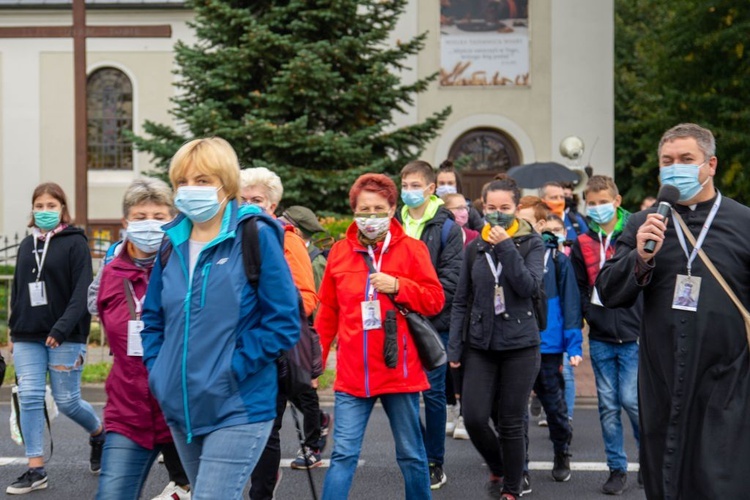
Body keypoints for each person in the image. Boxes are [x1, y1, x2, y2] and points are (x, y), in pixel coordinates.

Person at [141, 137, 300, 500]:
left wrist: (231, 369)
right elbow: (152, 319)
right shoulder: (171, 242)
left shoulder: (254, 234)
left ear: (226, 185)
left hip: (239, 405)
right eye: (182, 181)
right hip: (182, 406)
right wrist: (159, 371)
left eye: (202, 180)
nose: (189, 189)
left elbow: (284, 321)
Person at [597, 123, 750, 499]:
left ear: (710, 164)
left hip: (728, 376)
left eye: (686, 159)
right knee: (666, 477)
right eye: (667, 161)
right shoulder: (642, 223)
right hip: (662, 374)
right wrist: (641, 256)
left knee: (719, 477)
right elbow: (608, 291)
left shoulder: (744, 222)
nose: (675, 167)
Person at [315, 173, 445, 500]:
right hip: (352, 374)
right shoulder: (340, 253)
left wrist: (400, 286)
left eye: (378, 209)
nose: (370, 217)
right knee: (343, 455)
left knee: (412, 455)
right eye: (363, 209)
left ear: (391, 210)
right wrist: (314, 364)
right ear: (354, 212)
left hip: (398, 370)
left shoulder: (413, 250)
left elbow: (435, 300)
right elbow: (328, 312)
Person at [94, 178, 190, 500]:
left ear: (173, 219)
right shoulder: (110, 274)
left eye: (159, 216)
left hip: (182, 408)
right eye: (140, 216)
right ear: (125, 222)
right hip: (129, 409)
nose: (149, 223)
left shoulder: (187, 266)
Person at [448, 176, 544, 500]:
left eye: (505, 208)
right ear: (483, 208)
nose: (498, 213)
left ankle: (512, 488)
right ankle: (501, 466)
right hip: (481, 343)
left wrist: (505, 246)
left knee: (511, 421)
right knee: (474, 417)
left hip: (520, 344)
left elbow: (528, 286)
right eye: (491, 208)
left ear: (517, 208)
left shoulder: (533, 243)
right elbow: (462, 299)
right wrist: (454, 347)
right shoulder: (474, 247)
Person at [6, 182, 104, 495]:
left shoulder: (75, 243)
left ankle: (99, 434)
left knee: (68, 400)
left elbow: (81, 292)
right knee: (30, 397)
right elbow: (19, 291)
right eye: (40, 205)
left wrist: (60, 329)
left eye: (52, 205)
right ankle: (36, 469)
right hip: (27, 335)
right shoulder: (25, 245)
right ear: (32, 209)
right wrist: (13, 329)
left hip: (65, 335)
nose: (45, 211)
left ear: (63, 209)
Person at [239, 168, 323, 489]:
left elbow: (307, 299)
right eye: (243, 199)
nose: (250, 205)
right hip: (236, 347)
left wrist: (269, 308)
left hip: (272, 350)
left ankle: (262, 491)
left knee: (266, 426)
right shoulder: (227, 235)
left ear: (272, 205)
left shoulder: (287, 238)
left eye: (257, 200)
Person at [569, 175, 641, 495]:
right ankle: (617, 468)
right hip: (600, 335)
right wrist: (587, 314)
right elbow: (578, 287)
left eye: (603, 202)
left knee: (632, 401)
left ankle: (649, 459)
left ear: (617, 200)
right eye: (592, 203)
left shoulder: (635, 234)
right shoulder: (583, 243)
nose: (597, 208)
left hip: (633, 332)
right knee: (608, 405)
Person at [398, 160, 464, 489]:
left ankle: (435, 460)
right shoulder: (393, 223)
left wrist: (412, 301)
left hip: (434, 322)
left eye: (415, 186)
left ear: (430, 189)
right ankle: (419, 452)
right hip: (396, 323)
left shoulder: (447, 228)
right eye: (404, 185)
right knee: (401, 393)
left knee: (435, 395)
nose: (408, 192)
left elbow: (449, 282)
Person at [516, 196, 582, 486]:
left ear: (541, 223)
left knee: (554, 408)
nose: (519, 225)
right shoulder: (508, 252)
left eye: (527, 219)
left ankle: (561, 451)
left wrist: (574, 345)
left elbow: (571, 305)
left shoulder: (557, 259)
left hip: (548, 345)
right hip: (516, 342)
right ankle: (521, 468)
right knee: (515, 411)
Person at [279, 205, 329, 291]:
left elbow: (318, 301)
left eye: (282, 224)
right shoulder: (285, 251)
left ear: (296, 232)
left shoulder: (316, 264)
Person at [437, 160, 485, 230]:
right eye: (442, 183)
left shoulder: (469, 211)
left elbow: (481, 234)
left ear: (457, 185)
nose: (446, 187)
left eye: (450, 183)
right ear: (435, 185)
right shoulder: (429, 209)